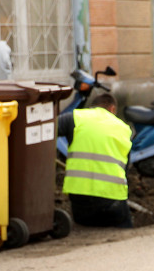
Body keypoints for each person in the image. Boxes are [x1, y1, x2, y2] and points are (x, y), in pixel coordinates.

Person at [57, 92, 134, 228]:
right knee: (126, 228)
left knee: (86, 223)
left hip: (79, 201)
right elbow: (125, 169)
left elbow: (45, 130)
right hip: (111, 201)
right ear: (112, 109)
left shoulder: (75, 118)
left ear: (91, 107)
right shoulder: (124, 129)